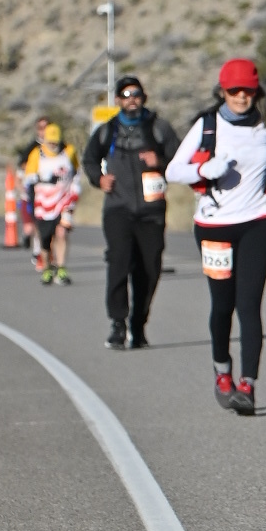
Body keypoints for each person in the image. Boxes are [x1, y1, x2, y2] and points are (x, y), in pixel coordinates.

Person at [169, 59, 266, 413]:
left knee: (249, 305)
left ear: (256, 91)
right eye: (234, 91)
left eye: (247, 90)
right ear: (222, 91)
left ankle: (248, 385)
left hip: (259, 221)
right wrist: (203, 169)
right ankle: (222, 371)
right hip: (214, 226)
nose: (241, 97)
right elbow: (173, 170)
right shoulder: (207, 125)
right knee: (222, 304)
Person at [84, 74, 181, 349]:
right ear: (117, 100)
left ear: (143, 97)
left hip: (151, 211)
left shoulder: (159, 128)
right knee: (119, 263)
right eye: (126, 95)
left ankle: (138, 324)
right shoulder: (107, 131)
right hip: (118, 208)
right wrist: (99, 179)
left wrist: (159, 161)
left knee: (149, 269)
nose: (132, 100)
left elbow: (181, 160)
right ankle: (118, 324)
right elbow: (89, 160)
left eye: (136, 94)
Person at [25, 121, 81, 286]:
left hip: (64, 201)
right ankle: (47, 269)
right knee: (45, 239)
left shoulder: (69, 151)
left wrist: (75, 190)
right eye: (50, 142)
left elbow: (77, 172)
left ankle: (61, 268)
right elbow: (28, 177)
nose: (53, 145)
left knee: (62, 233)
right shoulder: (37, 154)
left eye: (56, 142)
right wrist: (43, 178)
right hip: (44, 204)